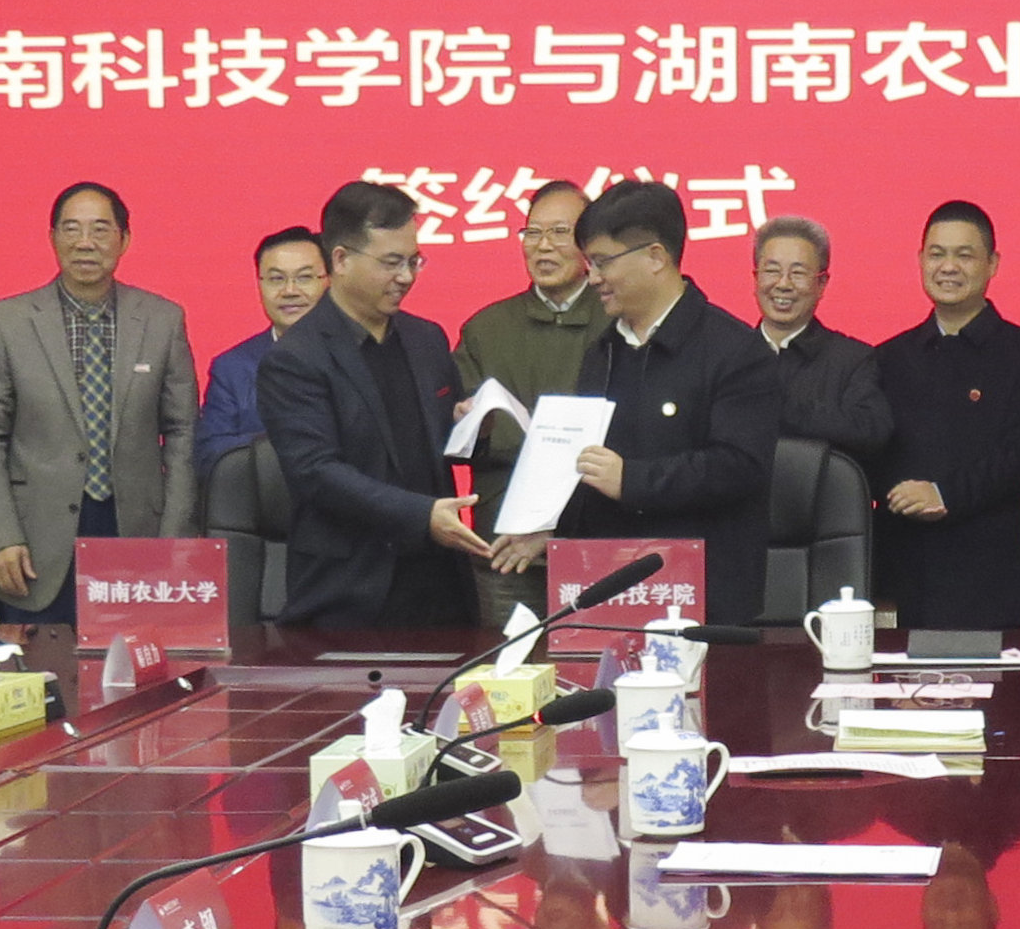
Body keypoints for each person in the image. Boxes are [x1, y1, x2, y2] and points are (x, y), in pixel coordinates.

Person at [489, 180, 780, 627]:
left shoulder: (737, 351)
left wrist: (632, 479)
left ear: (656, 257)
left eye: (603, 262)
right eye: (591, 263)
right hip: (611, 595)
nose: (593, 278)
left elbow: (739, 466)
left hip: (703, 599)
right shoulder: (602, 353)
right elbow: (590, 468)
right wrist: (550, 527)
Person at [0, 181, 200, 626]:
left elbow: (183, 433)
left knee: (134, 663)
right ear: (52, 238)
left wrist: (174, 538)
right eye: (71, 229)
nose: (85, 242)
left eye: (100, 229)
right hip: (34, 541)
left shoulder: (163, 320)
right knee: (43, 667)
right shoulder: (7, 322)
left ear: (124, 239)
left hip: (136, 532)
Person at [259, 182, 488, 628]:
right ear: (341, 260)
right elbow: (316, 472)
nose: (406, 276)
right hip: (349, 590)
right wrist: (421, 515)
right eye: (391, 262)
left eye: (414, 261)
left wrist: (472, 427)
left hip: (440, 582)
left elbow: (440, 448)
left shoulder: (427, 339)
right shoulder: (295, 358)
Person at [872, 202, 1020, 637]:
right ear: (920, 261)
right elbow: (871, 453)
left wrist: (944, 494)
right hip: (903, 579)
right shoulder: (887, 358)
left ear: (993, 263)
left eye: (964, 255)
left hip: (989, 582)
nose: (948, 267)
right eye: (937, 254)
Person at [451, 180, 601, 625]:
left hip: (596, 541)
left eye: (559, 232)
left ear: (590, 244)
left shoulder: (618, 321)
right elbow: (453, 443)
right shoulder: (485, 328)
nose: (543, 246)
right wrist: (465, 425)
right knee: (507, 663)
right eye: (532, 233)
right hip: (506, 547)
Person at [749, 214, 892, 460]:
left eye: (798, 273)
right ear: (756, 278)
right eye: (772, 271)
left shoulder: (853, 360)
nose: (783, 284)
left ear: (822, 284)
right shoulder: (728, 354)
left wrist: (782, 410)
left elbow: (872, 430)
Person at [194, 226, 327, 478]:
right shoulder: (232, 368)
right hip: (262, 498)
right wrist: (289, 445)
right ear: (259, 285)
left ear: (329, 281)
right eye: (276, 279)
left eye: (304, 277)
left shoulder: (362, 355)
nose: (290, 291)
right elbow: (210, 452)